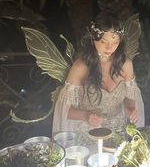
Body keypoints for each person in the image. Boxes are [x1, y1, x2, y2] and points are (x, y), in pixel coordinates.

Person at [52, 13, 144, 147]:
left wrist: (130, 108)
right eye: (104, 42)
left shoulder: (126, 65)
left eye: (115, 42)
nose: (109, 48)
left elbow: (130, 97)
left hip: (118, 138)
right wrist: (86, 116)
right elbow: (65, 110)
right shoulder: (80, 67)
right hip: (89, 138)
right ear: (92, 39)